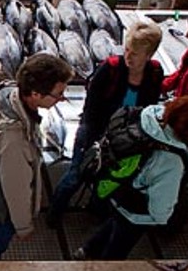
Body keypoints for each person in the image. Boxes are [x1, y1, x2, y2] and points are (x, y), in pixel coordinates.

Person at [48, 21, 165, 225]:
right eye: (127, 49)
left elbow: (149, 108)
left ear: (149, 55)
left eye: (136, 53)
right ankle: (55, 212)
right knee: (76, 174)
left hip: (127, 137)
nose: (128, 56)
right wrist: (98, 144)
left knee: (110, 178)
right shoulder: (108, 69)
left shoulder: (155, 73)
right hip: (96, 131)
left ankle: (96, 209)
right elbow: (91, 110)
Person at [0, 54, 74, 262]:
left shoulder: (7, 97)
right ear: (35, 94)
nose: (62, 98)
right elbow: (16, 189)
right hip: (3, 206)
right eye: (58, 94)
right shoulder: (14, 140)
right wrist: (23, 226)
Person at [75, 96, 188, 260]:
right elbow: (160, 210)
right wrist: (163, 219)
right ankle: (102, 270)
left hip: (114, 188)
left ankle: (86, 251)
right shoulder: (171, 161)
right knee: (117, 248)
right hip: (135, 211)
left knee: (113, 223)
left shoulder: (150, 114)